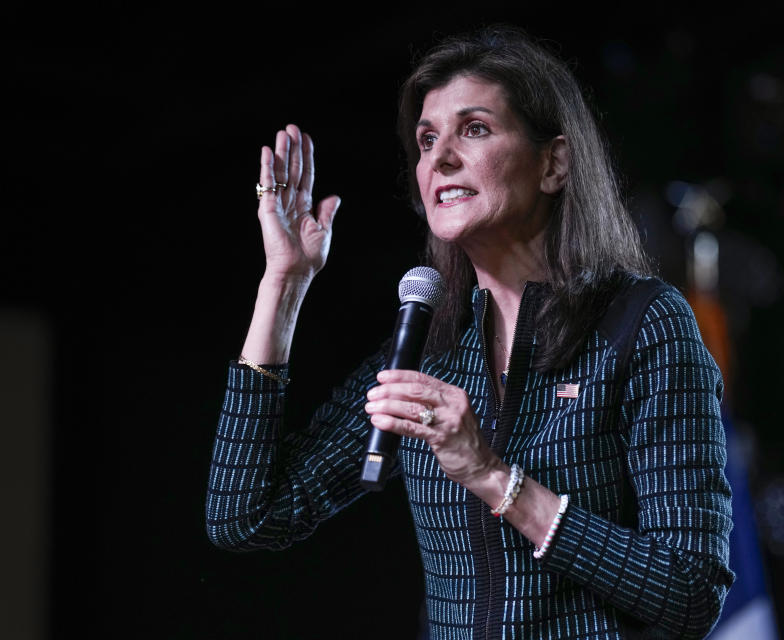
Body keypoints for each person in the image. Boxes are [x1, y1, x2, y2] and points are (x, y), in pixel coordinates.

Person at [206, 26, 734, 640]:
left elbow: (691, 591)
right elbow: (247, 517)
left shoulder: (642, 323)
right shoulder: (432, 349)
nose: (440, 157)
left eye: (474, 129)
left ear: (553, 163)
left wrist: (491, 475)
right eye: (427, 140)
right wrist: (284, 285)